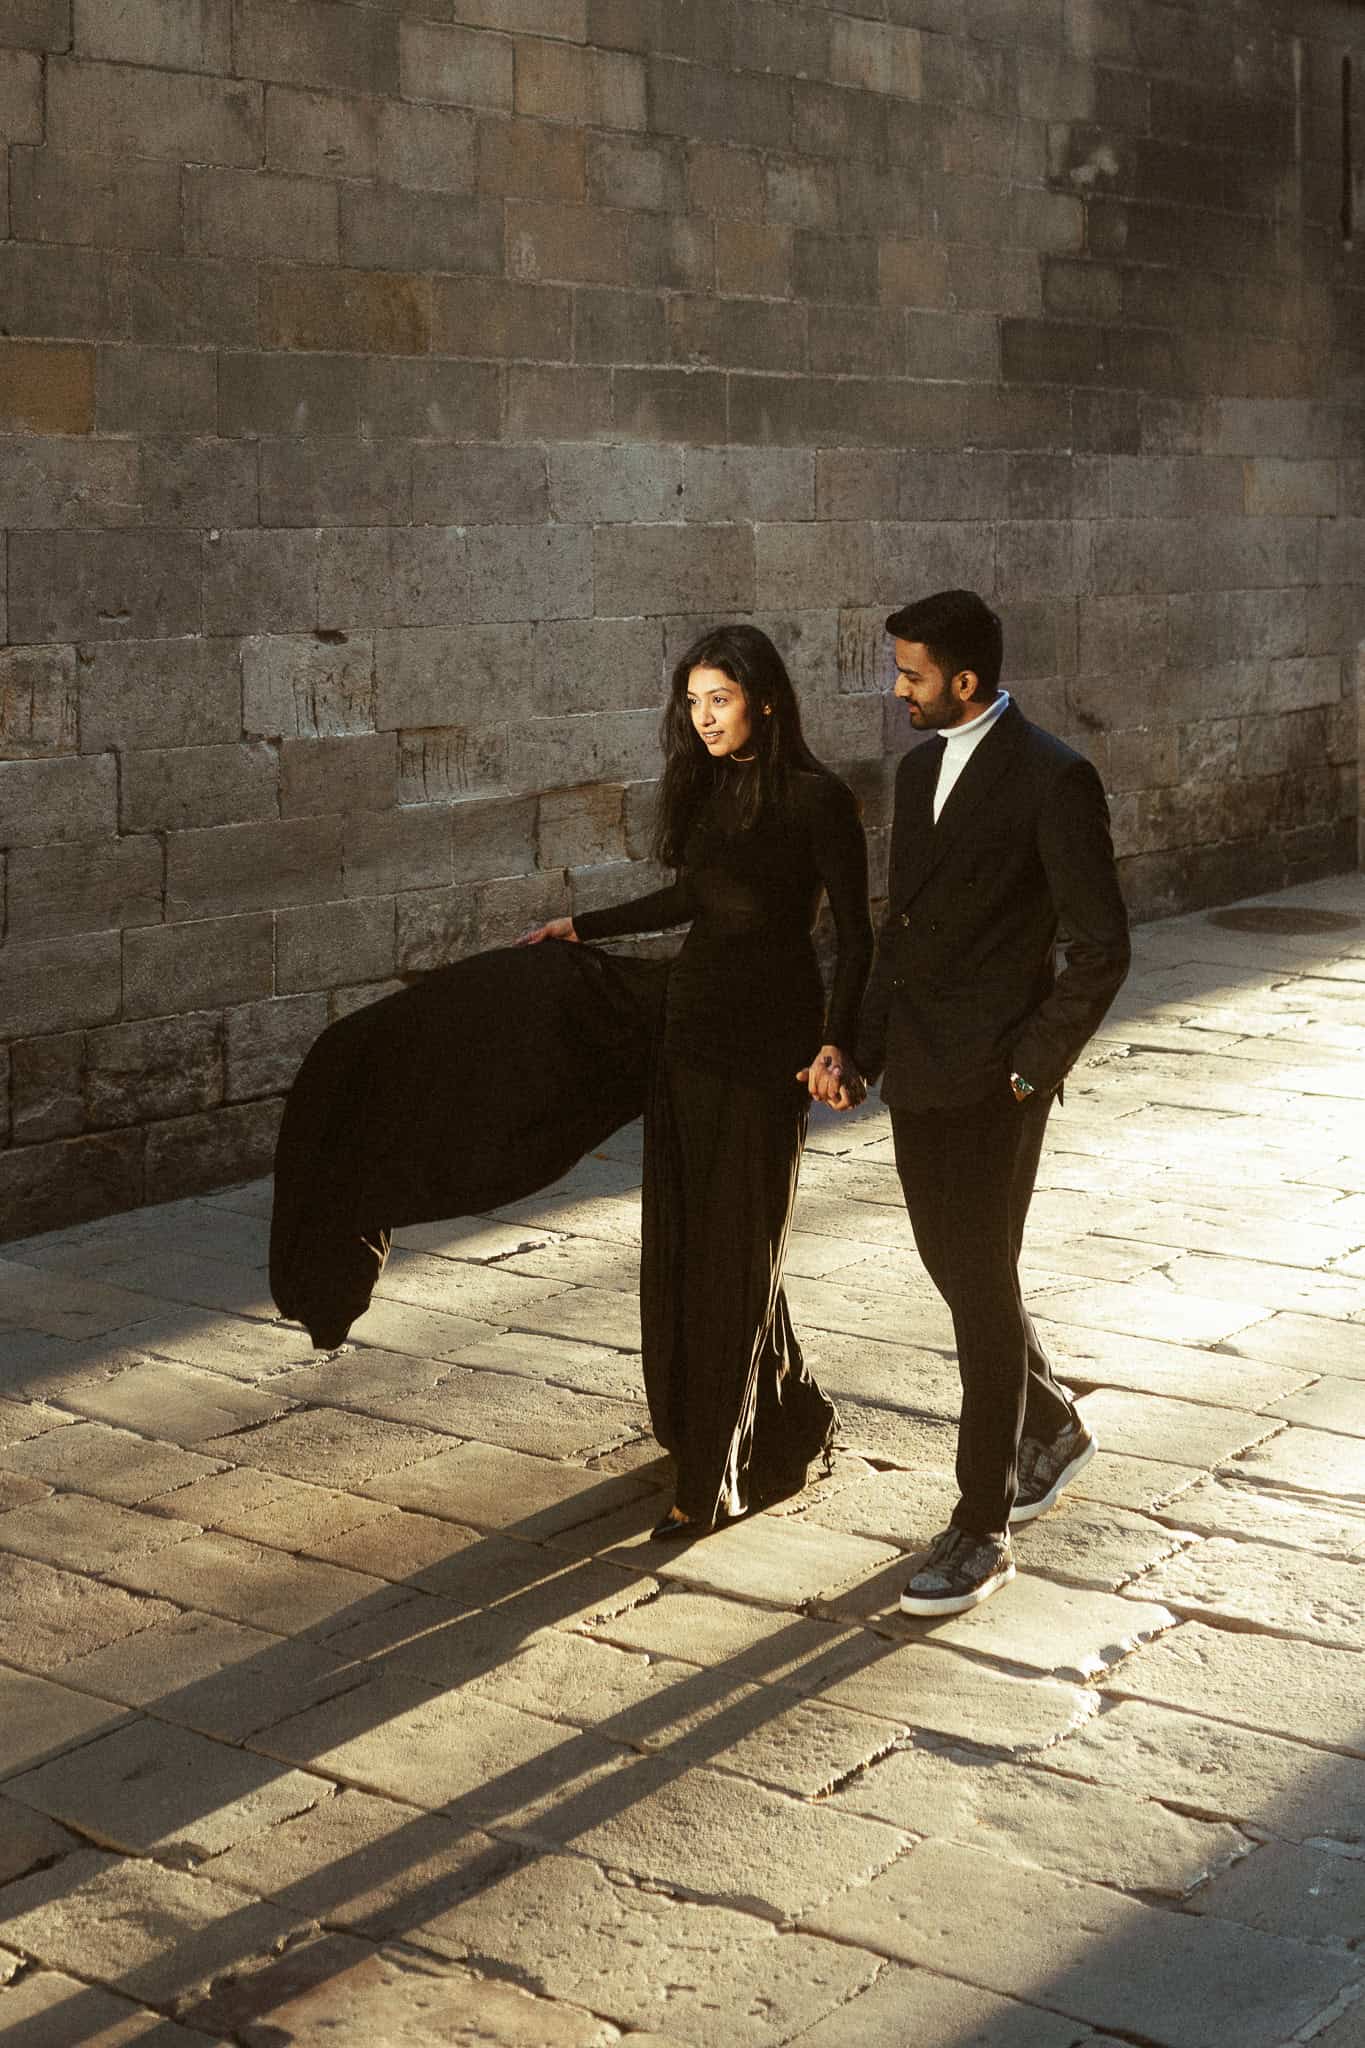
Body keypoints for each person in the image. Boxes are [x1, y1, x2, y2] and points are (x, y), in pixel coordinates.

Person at [522, 623, 873, 1539]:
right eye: (692, 702)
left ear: (763, 697)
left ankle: (719, 1469)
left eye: (718, 699)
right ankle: (786, 1411)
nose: (703, 717)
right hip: (690, 1032)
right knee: (693, 1238)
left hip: (771, 1044)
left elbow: (857, 936)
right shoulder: (708, 788)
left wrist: (840, 1045)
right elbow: (692, 901)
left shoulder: (816, 798)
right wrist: (583, 925)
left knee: (741, 1242)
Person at [852, 589, 1130, 1615]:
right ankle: (1050, 1419)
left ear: (964, 680)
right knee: (956, 1267)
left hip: (998, 1081)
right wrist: (862, 1045)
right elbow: (902, 931)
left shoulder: (1056, 778)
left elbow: (1103, 945)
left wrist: (1030, 1070)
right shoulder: (917, 768)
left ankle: (982, 1526)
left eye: (912, 675)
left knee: (978, 1283)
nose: (899, 690)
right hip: (920, 1071)